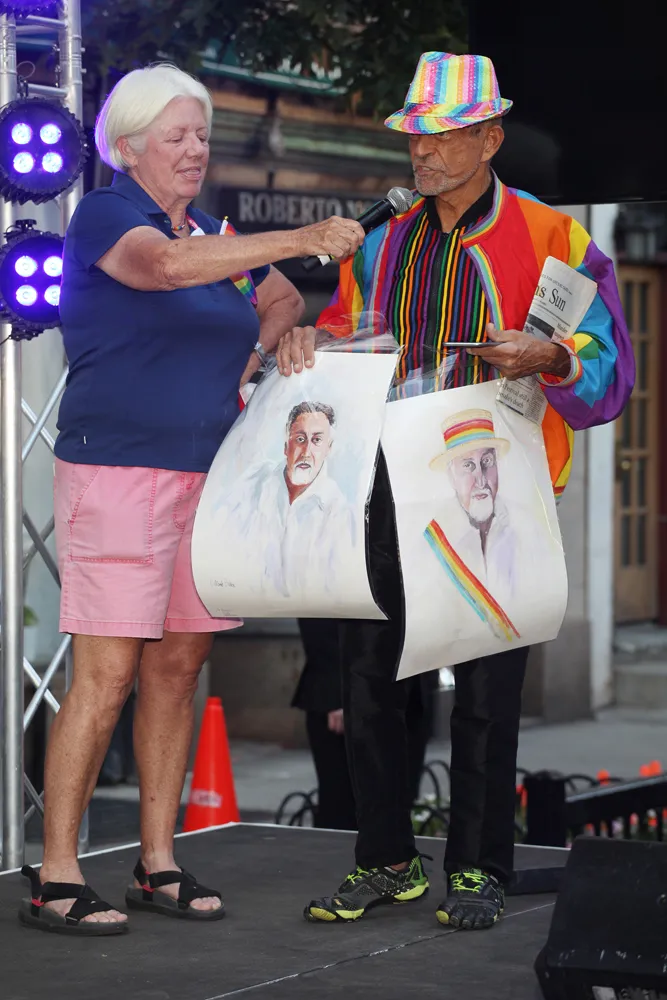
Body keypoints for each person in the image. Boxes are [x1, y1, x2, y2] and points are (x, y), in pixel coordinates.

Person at [276, 51, 634, 931]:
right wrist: (311, 345)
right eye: (415, 137)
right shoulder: (385, 239)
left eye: (441, 136)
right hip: (385, 486)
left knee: (483, 693)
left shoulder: (555, 240)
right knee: (368, 684)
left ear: (489, 139)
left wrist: (550, 355)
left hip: (493, 491)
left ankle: (477, 869)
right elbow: (348, 332)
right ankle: (385, 860)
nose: (422, 152)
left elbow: (609, 375)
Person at [18, 62, 364, 936]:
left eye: (201, 134)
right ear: (127, 146)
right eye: (176, 134)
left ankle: (157, 862)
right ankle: (56, 874)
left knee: (177, 670)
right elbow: (166, 268)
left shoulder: (214, 229)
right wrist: (298, 237)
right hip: (118, 473)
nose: (195, 148)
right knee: (107, 675)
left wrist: (265, 351)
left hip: (209, 477)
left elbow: (278, 298)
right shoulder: (105, 214)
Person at [293, 619, 436, 830]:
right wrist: (337, 693)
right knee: (343, 807)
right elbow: (318, 617)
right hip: (353, 689)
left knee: (397, 804)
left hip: (409, 688)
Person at [209, 401, 354, 597]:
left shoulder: (338, 510)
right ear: (286, 445)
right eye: (300, 439)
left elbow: (338, 588)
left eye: (317, 440)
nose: (306, 452)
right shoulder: (253, 483)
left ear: (328, 448)